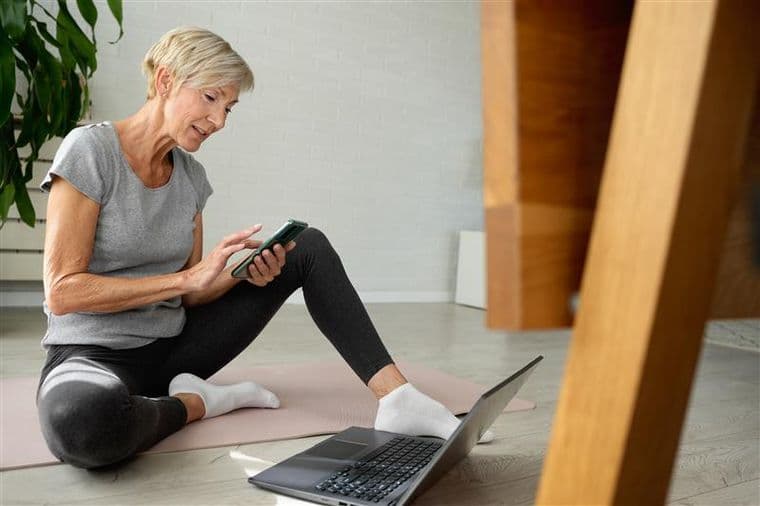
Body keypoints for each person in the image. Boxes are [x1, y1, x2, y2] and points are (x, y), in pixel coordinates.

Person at [36, 26, 490, 470]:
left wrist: (235, 275)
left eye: (229, 108)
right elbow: (63, 291)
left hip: (175, 350)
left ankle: (398, 398)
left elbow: (189, 296)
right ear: (165, 81)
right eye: (211, 98)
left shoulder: (192, 178)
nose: (219, 121)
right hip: (93, 354)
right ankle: (198, 402)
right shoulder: (91, 151)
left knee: (306, 245)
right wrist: (184, 279)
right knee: (80, 426)